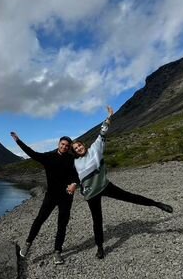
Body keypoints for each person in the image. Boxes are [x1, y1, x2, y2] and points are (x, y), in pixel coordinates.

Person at [71, 106, 173, 259]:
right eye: (75, 148)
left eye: (79, 145)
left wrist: (109, 117)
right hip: (91, 194)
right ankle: (100, 247)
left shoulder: (95, 149)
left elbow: (102, 132)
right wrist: (76, 187)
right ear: (74, 151)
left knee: (130, 197)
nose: (78, 148)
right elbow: (77, 179)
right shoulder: (76, 163)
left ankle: (157, 204)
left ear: (83, 145)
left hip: (104, 186)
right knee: (97, 221)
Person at [10, 132, 79, 264]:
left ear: (69, 147)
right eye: (62, 144)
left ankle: (57, 252)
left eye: (67, 145)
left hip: (66, 196)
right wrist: (18, 141)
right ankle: (28, 244)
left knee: (62, 224)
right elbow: (32, 153)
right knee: (39, 219)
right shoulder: (48, 157)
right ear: (58, 144)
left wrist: (75, 184)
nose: (64, 147)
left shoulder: (72, 159)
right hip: (51, 196)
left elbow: (77, 175)